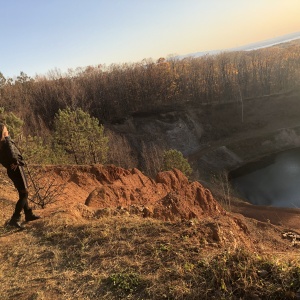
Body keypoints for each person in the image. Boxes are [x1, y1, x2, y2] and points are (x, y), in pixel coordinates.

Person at [0, 122, 40, 229]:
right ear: (3, 133)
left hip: (11, 170)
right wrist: (7, 138)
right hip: (17, 169)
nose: (7, 131)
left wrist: (9, 164)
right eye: (6, 130)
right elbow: (13, 155)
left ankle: (28, 214)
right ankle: (15, 218)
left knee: (22, 191)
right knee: (24, 193)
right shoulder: (5, 142)